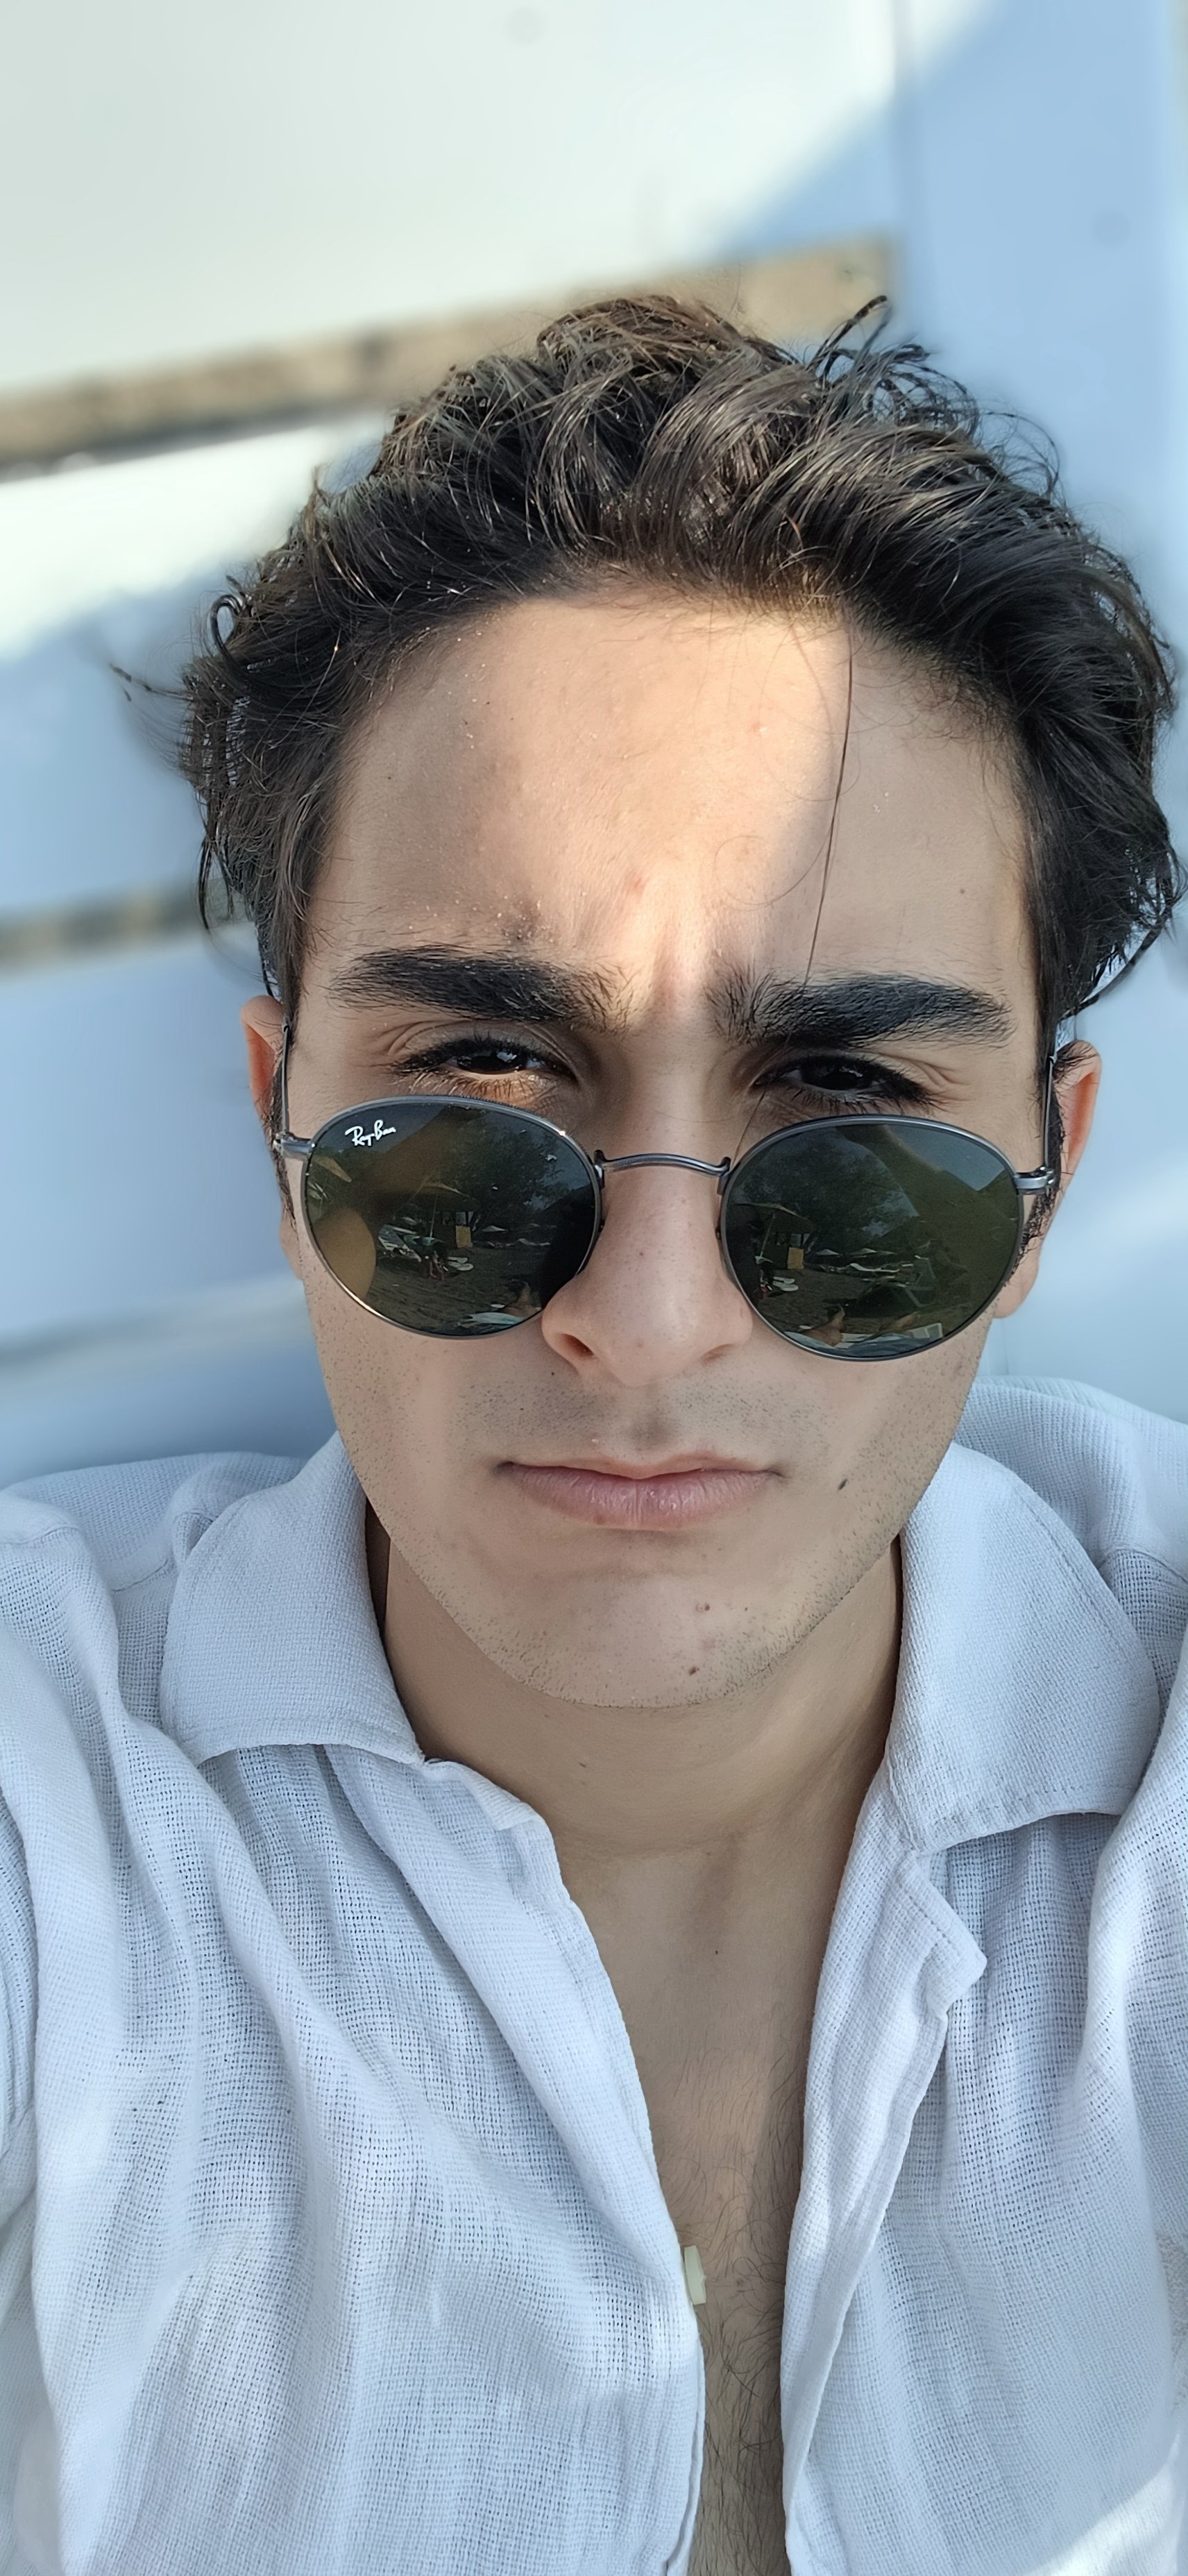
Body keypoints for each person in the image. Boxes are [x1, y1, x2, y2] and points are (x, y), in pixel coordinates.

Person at [1, 296, 1186, 2576]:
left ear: (1049, 1186)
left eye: (851, 1110)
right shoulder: (53, 1793)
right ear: (280, 1126)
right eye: (479, 1087)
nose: (644, 1324)